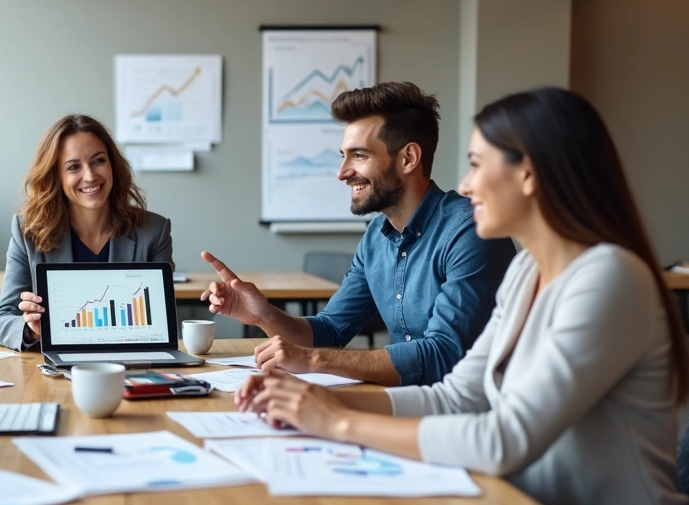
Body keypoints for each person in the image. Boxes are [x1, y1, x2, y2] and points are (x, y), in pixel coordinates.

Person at [236, 87, 689, 505]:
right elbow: (457, 396)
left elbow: (504, 438)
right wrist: (306, 401)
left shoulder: (609, 278)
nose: (467, 183)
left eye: (477, 164)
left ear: (529, 174)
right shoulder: (526, 272)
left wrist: (337, 422)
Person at [202, 82, 516, 385]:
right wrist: (263, 316)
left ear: (408, 158)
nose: (343, 172)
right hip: (407, 404)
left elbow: (442, 356)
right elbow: (328, 331)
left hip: (467, 419)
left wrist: (315, 361)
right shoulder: (376, 239)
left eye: (360, 155)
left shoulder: (470, 231)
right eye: (343, 155)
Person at [0, 114, 172, 350]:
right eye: (74, 167)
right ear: (57, 176)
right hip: (57, 368)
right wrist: (30, 330)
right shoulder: (28, 232)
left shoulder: (154, 231)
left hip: (130, 365)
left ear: (113, 164)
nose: (90, 176)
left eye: (98, 161)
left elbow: (160, 323)